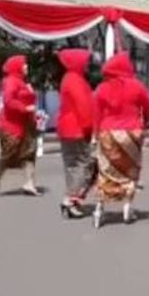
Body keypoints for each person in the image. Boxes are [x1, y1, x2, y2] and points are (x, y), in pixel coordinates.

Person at [93, 52, 149, 229]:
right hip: (131, 133)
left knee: (106, 171)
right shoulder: (137, 86)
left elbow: (96, 113)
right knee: (130, 170)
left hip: (108, 133)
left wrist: (96, 133)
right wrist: (144, 124)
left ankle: (99, 207)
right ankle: (127, 207)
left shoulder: (102, 88)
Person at [0, 55, 41, 198]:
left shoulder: (23, 83)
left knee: (30, 153)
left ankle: (29, 183)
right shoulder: (10, 82)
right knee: (7, 155)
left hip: (27, 124)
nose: (26, 67)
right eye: (24, 65)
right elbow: (9, 101)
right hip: (12, 125)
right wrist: (25, 108)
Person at [56, 49, 96, 219]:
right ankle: (72, 198)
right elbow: (84, 107)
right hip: (77, 128)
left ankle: (70, 198)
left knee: (72, 165)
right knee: (84, 164)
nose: (87, 64)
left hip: (67, 128)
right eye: (85, 61)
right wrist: (90, 128)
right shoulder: (76, 81)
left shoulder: (69, 79)